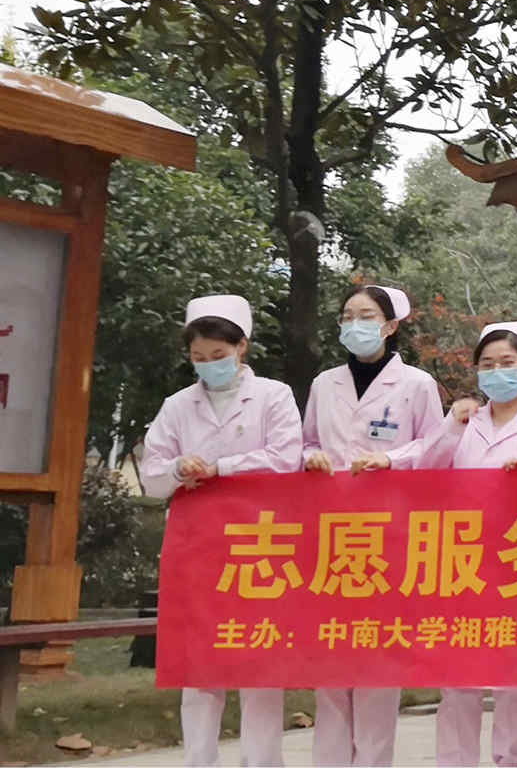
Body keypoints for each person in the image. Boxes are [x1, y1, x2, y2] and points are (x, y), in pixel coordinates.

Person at [138, 295, 303, 767]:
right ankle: (199, 760)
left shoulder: (274, 396)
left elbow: (285, 459)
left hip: (261, 545)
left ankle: (262, 762)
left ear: (241, 347)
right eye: (199, 357)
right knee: (199, 665)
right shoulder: (177, 406)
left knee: (260, 662)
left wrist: (221, 468)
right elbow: (152, 475)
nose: (209, 364)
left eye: (219, 355)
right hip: (198, 547)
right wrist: (177, 468)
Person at [300, 284, 446, 766]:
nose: (354, 324)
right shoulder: (324, 384)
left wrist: (392, 459)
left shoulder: (417, 385)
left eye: (365, 316)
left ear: (390, 326)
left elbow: (436, 449)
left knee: (378, 658)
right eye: (347, 315)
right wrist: (311, 457)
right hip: (331, 535)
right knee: (330, 658)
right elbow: (307, 442)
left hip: (389, 536)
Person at [422, 321, 517, 767]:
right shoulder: (464, 421)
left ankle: (511, 761)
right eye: (487, 364)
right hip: (463, 559)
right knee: (457, 682)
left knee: (515, 682)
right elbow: (426, 470)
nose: (497, 372)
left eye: (508, 362)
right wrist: (452, 426)